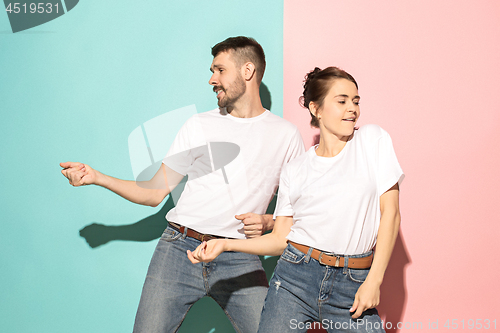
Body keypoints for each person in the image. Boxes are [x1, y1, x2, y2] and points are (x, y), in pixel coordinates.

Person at [60, 36, 305, 333]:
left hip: (240, 256)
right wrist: (97, 177)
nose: (212, 79)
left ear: (248, 71)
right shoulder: (199, 125)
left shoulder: (286, 136)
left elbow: (300, 212)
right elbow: (153, 193)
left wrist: (268, 221)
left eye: (220, 70)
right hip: (179, 250)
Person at [188, 66, 404, 333]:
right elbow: (281, 239)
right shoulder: (296, 168)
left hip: (353, 281)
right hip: (294, 279)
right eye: (342, 101)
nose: (353, 109)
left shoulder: (371, 140)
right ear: (316, 109)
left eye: (356, 101)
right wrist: (225, 244)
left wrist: (374, 281)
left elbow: (391, 214)